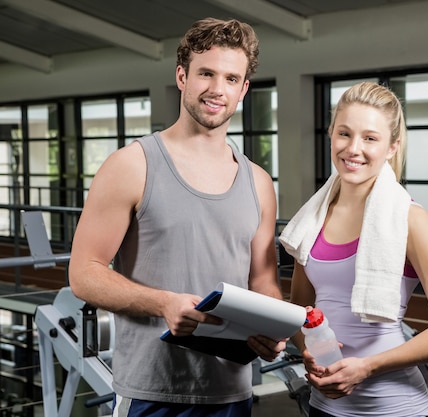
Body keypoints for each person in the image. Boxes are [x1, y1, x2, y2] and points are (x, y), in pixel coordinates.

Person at [68, 17, 285, 417]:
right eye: (206, 73)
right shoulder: (131, 165)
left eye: (231, 79)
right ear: (182, 76)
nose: (217, 89)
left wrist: (272, 327)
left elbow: (264, 281)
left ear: (244, 90)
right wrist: (163, 303)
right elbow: (83, 273)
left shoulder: (258, 182)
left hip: (232, 393)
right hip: (152, 392)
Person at [279, 81, 428, 417]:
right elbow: (302, 310)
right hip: (322, 406)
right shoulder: (312, 218)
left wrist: (368, 367)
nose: (353, 149)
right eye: (344, 134)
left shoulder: (411, 220)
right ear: (330, 135)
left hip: (393, 408)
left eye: (370, 138)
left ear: (391, 147)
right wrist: (307, 349)